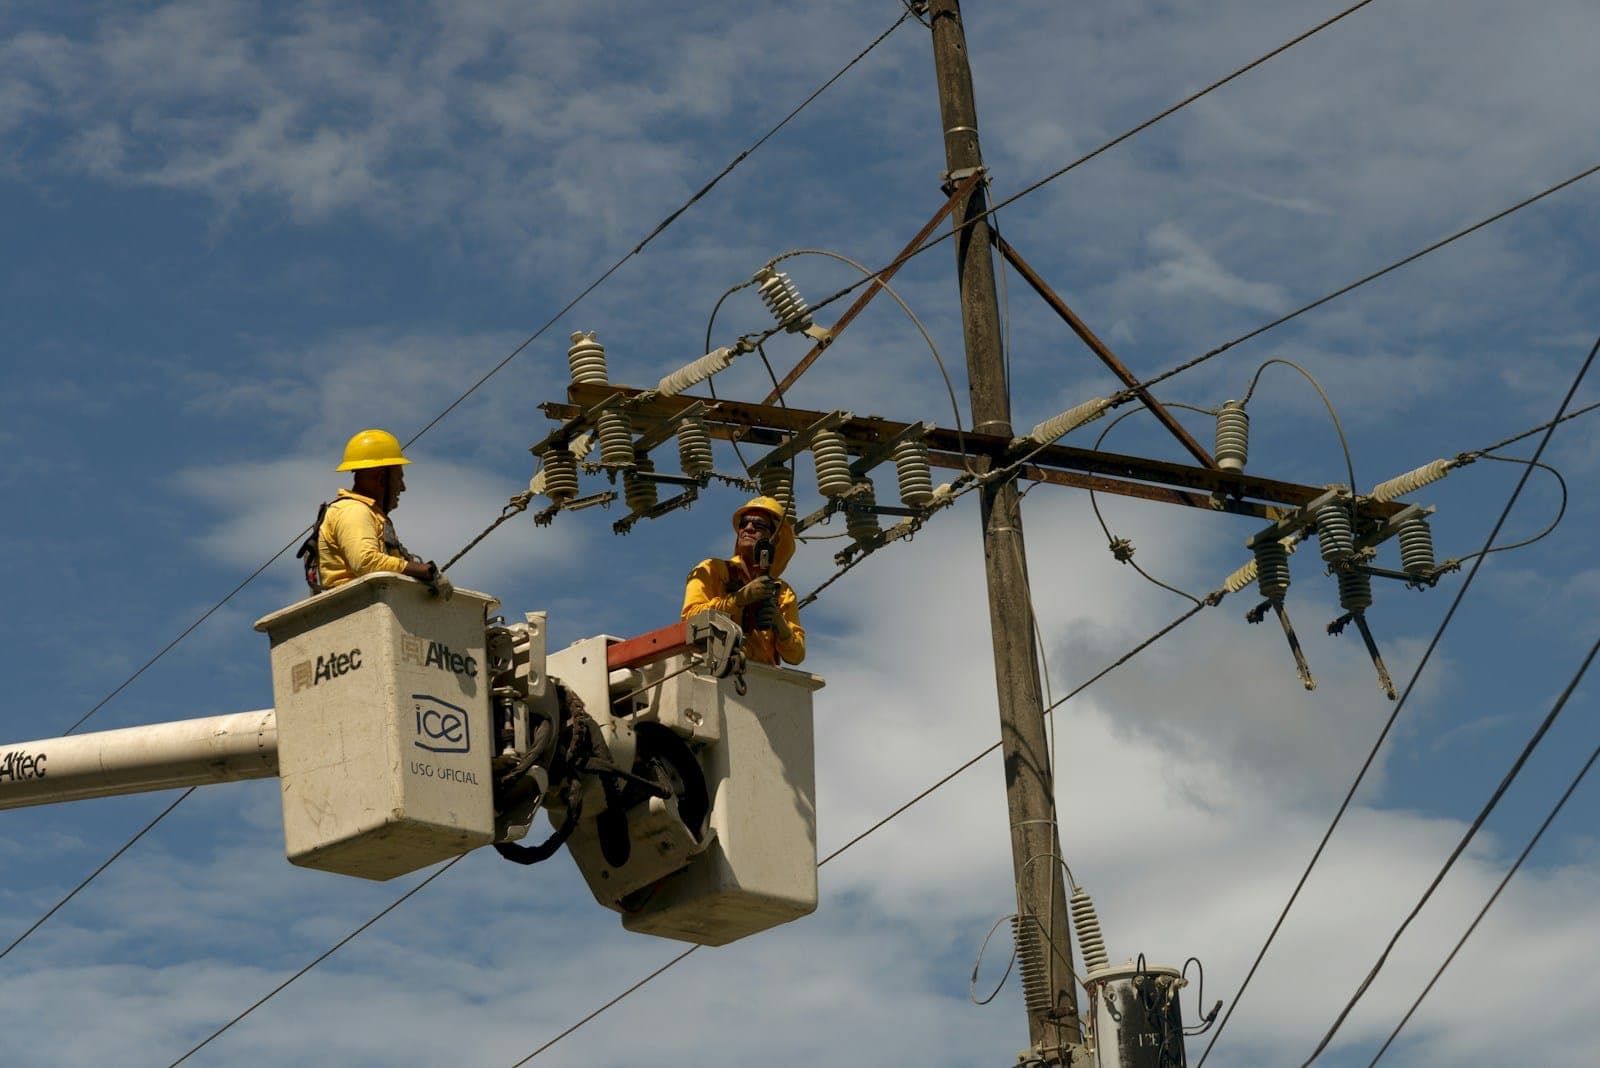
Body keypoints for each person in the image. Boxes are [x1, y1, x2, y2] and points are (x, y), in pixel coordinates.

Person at [299, 428, 452, 598]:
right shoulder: (353, 510)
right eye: (399, 478)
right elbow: (366, 562)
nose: (403, 487)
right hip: (357, 607)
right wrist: (426, 571)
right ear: (381, 479)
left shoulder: (368, 513)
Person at [682, 495, 804, 666]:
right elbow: (691, 620)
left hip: (763, 679)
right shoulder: (711, 569)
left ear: (775, 538)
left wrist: (778, 622)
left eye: (758, 524)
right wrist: (738, 600)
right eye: (744, 523)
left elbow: (796, 655)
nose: (748, 528)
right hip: (716, 671)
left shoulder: (782, 592)